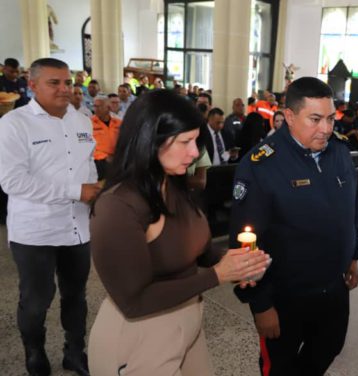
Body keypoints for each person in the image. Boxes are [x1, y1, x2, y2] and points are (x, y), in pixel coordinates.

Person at [88, 89, 269, 374]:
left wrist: (238, 261)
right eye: (186, 141)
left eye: (196, 141)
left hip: (187, 321)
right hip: (140, 334)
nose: (196, 153)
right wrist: (219, 275)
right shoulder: (117, 207)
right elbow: (134, 301)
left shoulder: (175, 185)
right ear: (150, 141)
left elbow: (200, 250)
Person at [230, 76, 358, 376]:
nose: (326, 129)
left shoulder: (339, 152)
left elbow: (350, 210)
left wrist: (353, 255)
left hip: (333, 288)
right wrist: (261, 305)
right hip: (285, 295)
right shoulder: (261, 165)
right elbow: (244, 243)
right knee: (279, 366)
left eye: (330, 118)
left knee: (328, 348)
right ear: (289, 116)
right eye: (315, 119)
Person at [0, 57, 101, 376]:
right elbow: (12, 181)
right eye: (54, 82)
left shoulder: (82, 119)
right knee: (36, 300)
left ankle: (75, 351)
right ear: (32, 85)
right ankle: (34, 352)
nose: (63, 89)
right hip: (35, 232)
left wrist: (94, 193)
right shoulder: (14, 124)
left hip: (76, 228)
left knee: (76, 295)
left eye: (68, 82)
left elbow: (89, 167)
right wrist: (76, 190)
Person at [91, 95, 123, 180]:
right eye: (95, 106)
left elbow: (125, 141)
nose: (96, 109)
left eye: (100, 106)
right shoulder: (87, 123)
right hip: (99, 161)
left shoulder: (119, 123)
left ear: (108, 108)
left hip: (117, 159)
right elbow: (84, 146)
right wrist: (105, 157)